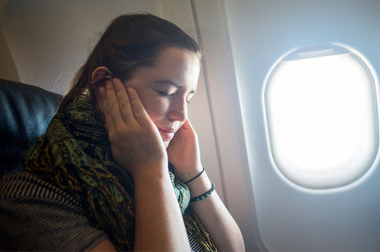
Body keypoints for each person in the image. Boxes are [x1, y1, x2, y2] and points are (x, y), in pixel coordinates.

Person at [0, 13, 244, 251]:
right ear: (104, 85)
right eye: (165, 92)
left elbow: (235, 248)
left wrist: (192, 172)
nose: (181, 115)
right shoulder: (28, 196)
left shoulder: (172, 172)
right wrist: (150, 171)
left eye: (188, 99)